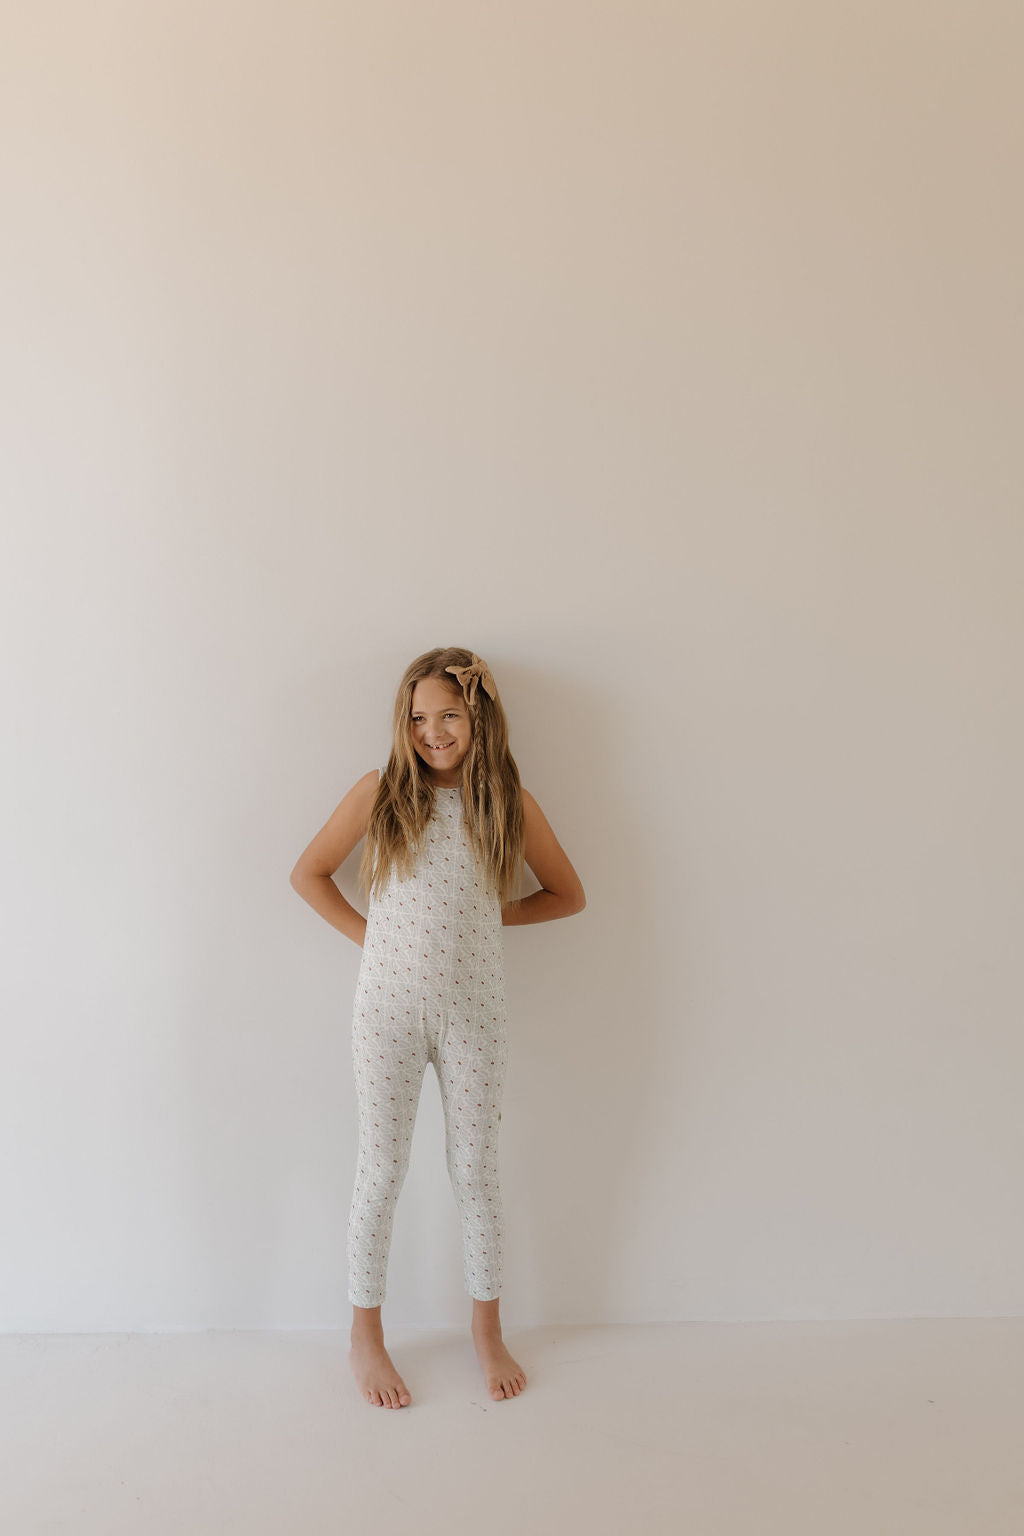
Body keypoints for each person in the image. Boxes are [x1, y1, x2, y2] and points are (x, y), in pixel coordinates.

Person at [289, 647, 585, 1408]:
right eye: (418, 718)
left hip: (474, 1015)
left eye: (449, 715)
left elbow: (567, 893)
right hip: (386, 1011)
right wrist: (376, 939)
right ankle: (365, 1336)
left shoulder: (508, 803)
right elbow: (309, 873)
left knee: (475, 1174)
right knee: (380, 1171)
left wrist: (492, 917)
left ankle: (487, 1332)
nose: (433, 732)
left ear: (479, 717)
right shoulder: (382, 792)